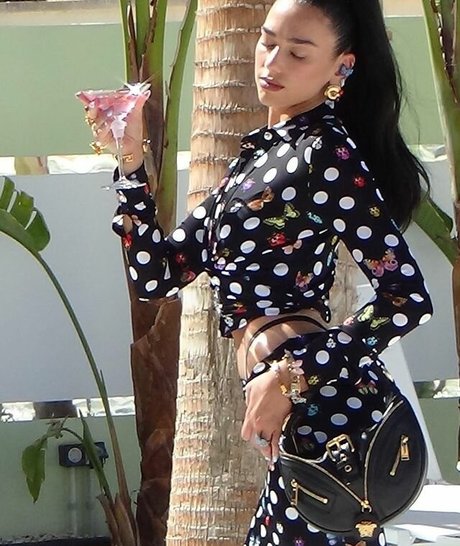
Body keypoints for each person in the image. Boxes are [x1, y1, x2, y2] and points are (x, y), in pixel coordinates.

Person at [84, 0, 433, 544]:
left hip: (328, 416)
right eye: (267, 42)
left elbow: (406, 298)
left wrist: (291, 375)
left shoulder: (324, 156)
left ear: (341, 67)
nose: (271, 62)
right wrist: (130, 163)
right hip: (301, 422)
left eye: (297, 53)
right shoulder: (259, 158)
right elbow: (159, 276)